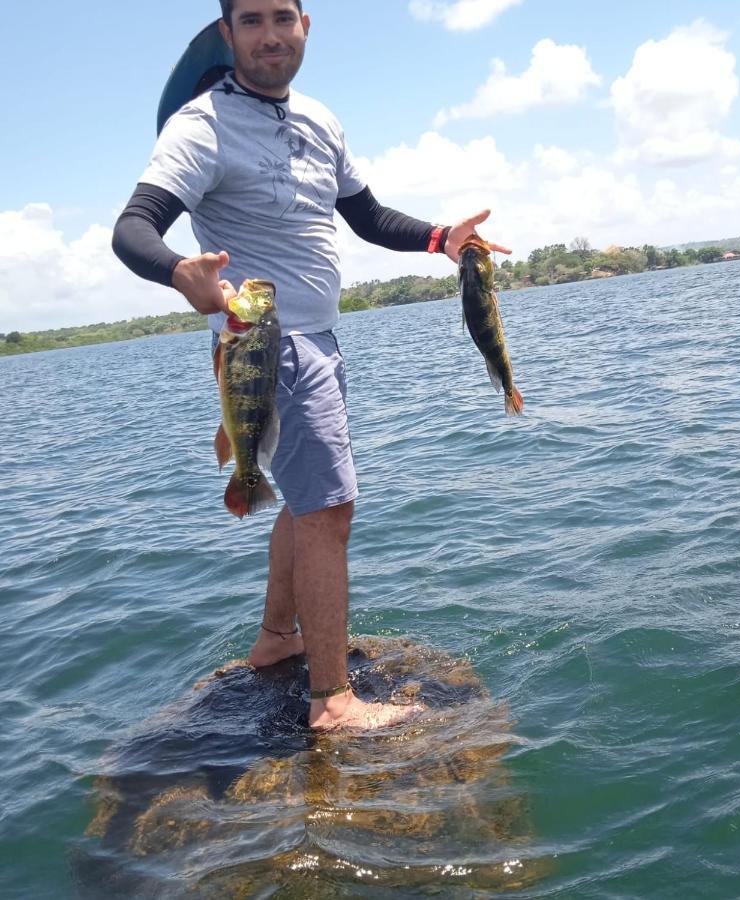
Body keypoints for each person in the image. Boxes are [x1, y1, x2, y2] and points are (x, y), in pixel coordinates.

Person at [112, 0, 510, 730]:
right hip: (269, 343)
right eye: (253, 20)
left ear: (306, 27)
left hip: (319, 338)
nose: (271, 35)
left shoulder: (320, 121)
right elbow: (133, 227)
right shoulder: (201, 125)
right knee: (330, 509)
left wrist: (439, 239)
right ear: (226, 34)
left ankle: (276, 640)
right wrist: (180, 273)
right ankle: (333, 701)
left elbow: (365, 215)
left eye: (283, 18)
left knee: (302, 499)